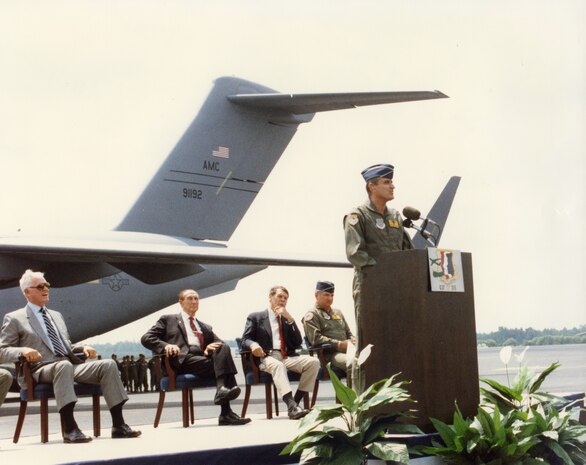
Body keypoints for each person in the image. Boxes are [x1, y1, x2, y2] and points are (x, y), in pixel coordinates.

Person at [0, 269, 141, 443]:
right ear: (27, 292)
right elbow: (2, 350)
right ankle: (70, 428)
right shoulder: (15, 318)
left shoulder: (56, 316)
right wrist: (21, 351)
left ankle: (119, 425)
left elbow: (64, 345)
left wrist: (82, 347)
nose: (46, 289)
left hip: (67, 364)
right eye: (40, 286)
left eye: (47, 285)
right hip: (39, 369)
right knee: (63, 366)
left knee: (108, 365)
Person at [141, 289, 250, 426]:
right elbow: (146, 338)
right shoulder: (168, 320)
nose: (194, 301)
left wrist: (207, 350)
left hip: (201, 361)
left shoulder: (204, 327)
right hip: (180, 361)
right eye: (190, 298)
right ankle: (225, 412)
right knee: (223, 365)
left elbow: (221, 344)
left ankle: (222, 394)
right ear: (181, 302)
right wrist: (165, 346)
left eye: (196, 298)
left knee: (224, 349)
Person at [344, 164, 413, 328]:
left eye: (392, 182)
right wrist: (384, 271)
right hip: (370, 287)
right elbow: (355, 254)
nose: (392, 186)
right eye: (387, 182)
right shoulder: (357, 216)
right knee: (370, 336)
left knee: (399, 334)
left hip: (396, 287)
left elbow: (408, 251)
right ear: (371, 186)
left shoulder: (395, 216)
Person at [241, 285, 320, 420]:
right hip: (266, 357)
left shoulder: (285, 319)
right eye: (279, 296)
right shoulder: (256, 317)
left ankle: (294, 404)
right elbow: (245, 339)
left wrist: (290, 319)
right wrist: (253, 345)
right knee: (278, 365)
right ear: (270, 297)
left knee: (314, 362)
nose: (282, 300)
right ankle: (292, 406)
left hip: (286, 356)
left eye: (285, 298)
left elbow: (297, 342)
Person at [303, 281, 355, 371]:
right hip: (330, 355)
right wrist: (339, 344)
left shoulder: (338, 313)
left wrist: (353, 339)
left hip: (349, 350)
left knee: (371, 359)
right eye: (326, 295)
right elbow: (316, 339)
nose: (330, 298)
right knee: (356, 363)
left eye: (332, 295)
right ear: (316, 295)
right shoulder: (312, 315)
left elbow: (348, 333)